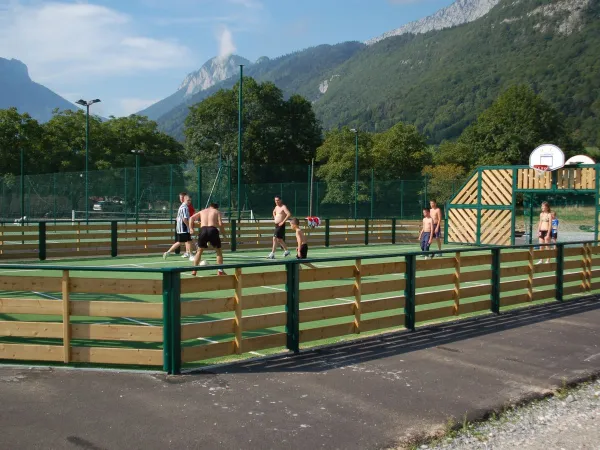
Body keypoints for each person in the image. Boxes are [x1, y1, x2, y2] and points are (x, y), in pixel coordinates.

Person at [190, 203, 227, 276]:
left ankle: (194, 270)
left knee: (199, 251)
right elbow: (220, 224)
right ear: (216, 208)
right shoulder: (216, 211)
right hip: (212, 230)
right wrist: (224, 234)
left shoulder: (202, 211)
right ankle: (220, 271)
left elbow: (191, 218)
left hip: (203, 230)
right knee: (218, 251)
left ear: (210, 206)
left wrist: (191, 228)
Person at [163, 194, 192, 260]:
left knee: (181, 241)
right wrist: (189, 226)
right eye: (188, 200)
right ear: (184, 200)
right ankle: (191, 255)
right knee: (188, 241)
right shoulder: (184, 207)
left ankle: (168, 252)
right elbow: (184, 219)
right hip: (183, 228)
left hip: (181, 228)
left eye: (190, 200)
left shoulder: (183, 206)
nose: (189, 202)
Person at [267, 195, 291, 259]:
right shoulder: (276, 207)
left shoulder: (283, 207)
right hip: (276, 225)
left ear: (280, 200)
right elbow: (273, 212)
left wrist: (283, 221)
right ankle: (287, 251)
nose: (276, 201)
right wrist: (275, 218)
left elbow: (288, 214)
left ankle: (272, 254)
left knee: (274, 238)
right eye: (275, 200)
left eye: (278, 200)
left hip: (281, 225)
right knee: (279, 239)